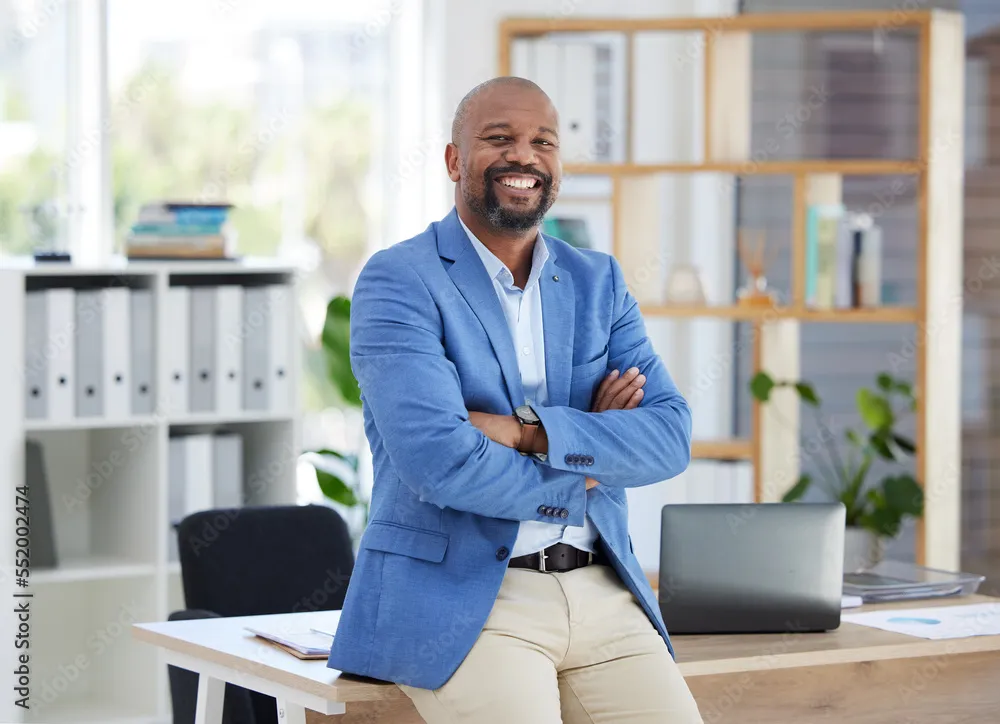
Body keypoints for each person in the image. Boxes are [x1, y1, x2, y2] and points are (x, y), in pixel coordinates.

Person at [327, 76, 704, 724]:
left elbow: (669, 437)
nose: (523, 156)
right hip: (466, 604)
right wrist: (587, 464)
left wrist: (527, 432)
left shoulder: (598, 282)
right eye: (498, 138)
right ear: (454, 159)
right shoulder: (401, 280)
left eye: (542, 142)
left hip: (602, 590)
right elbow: (438, 461)